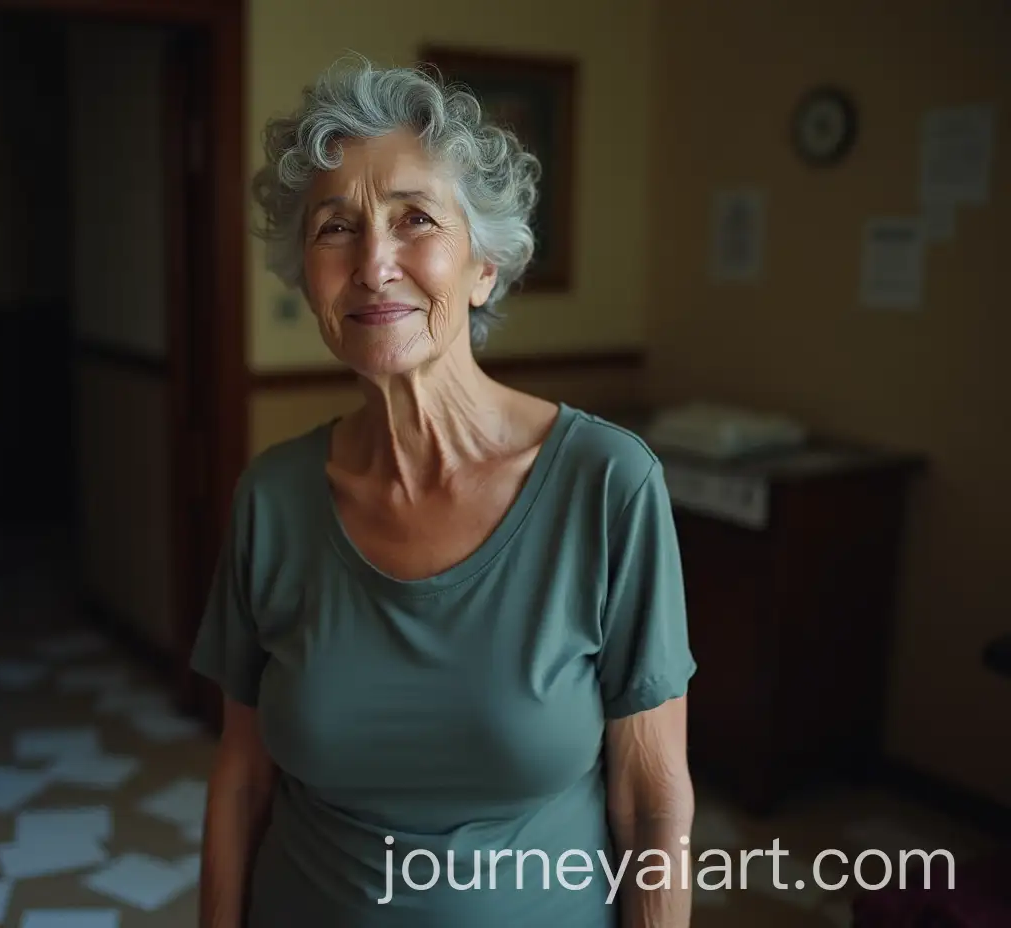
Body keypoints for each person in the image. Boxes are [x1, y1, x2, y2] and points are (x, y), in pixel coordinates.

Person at [190, 57, 697, 928]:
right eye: (334, 228)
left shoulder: (608, 485)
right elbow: (241, 779)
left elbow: (652, 798)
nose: (373, 264)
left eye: (415, 219)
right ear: (304, 274)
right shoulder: (272, 499)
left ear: (485, 265)